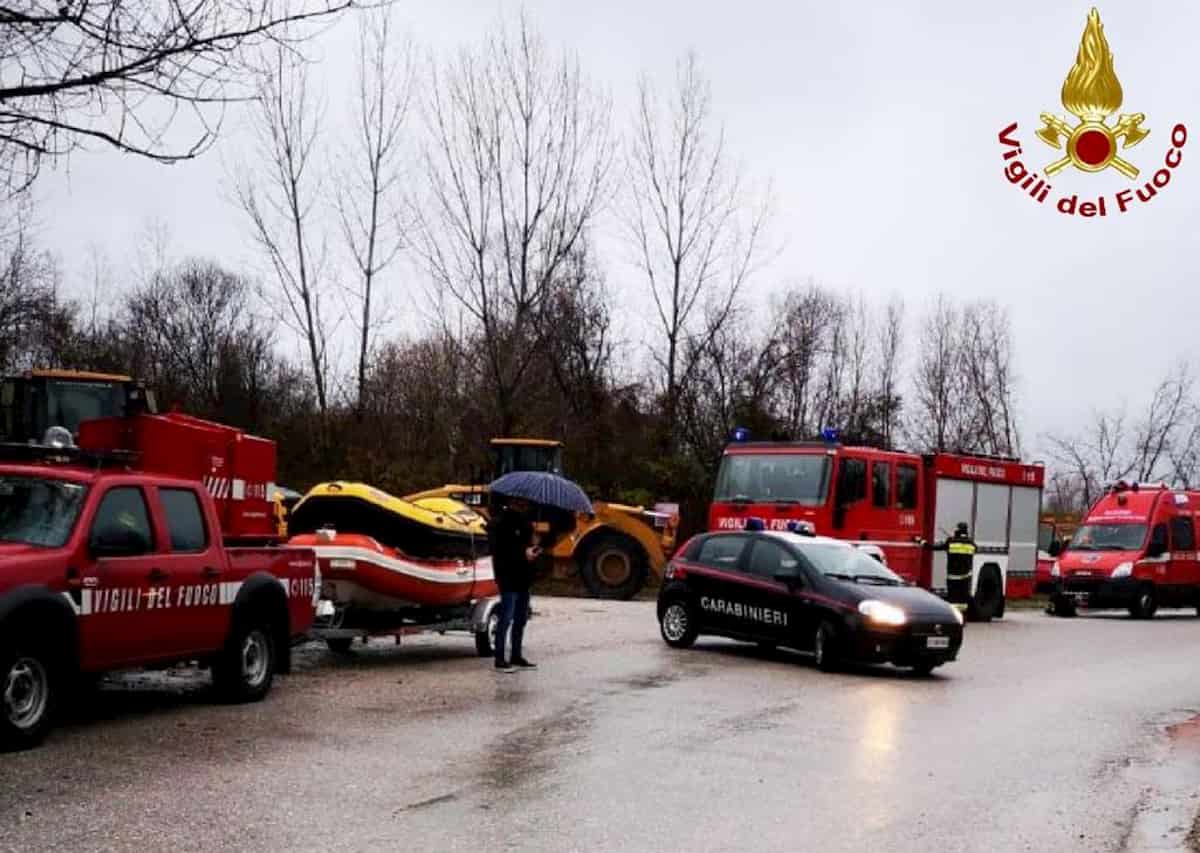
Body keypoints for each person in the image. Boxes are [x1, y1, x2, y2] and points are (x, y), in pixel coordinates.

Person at [487, 496, 540, 673]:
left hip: (523, 577)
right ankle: (500, 658)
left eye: (525, 503)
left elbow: (528, 546)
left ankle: (516, 654)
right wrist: (522, 552)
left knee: (521, 618)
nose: (523, 506)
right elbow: (500, 550)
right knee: (507, 617)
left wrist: (534, 548)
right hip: (507, 576)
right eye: (520, 503)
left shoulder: (526, 523)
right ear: (511, 503)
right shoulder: (499, 524)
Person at [934, 521, 976, 607]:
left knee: (953, 597)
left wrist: (922, 542)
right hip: (965, 577)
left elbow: (936, 547)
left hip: (952, 576)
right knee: (963, 598)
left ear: (957, 530)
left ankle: (953, 614)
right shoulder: (971, 543)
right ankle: (963, 614)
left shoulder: (951, 542)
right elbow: (975, 549)